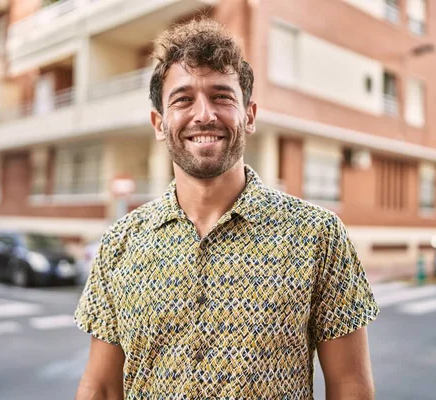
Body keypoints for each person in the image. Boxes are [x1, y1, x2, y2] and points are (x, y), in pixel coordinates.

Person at [74, 18, 379, 399]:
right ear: (159, 122)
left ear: (248, 116)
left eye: (222, 96)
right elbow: (101, 387)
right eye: (183, 99)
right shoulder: (120, 243)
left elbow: (350, 385)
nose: (204, 114)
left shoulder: (318, 236)